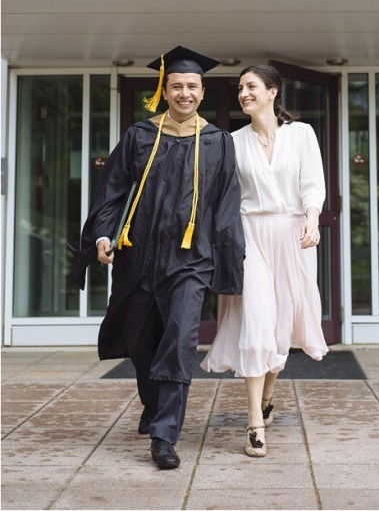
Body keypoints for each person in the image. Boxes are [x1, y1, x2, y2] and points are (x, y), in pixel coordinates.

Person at [72, 46, 246, 470]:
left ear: (202, 92)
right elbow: (111, 192)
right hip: (137, 255)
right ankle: (152, 405)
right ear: (164, 90)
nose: (184, 93)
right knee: (140, 340)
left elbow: (226, 206)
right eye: (177, 86)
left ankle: (165, 434)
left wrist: (228, 265)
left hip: (190, 259)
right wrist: (101, 237)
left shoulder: (217, 142)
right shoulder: (139, 136)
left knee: (181, 338)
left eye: (191, 86)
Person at [201, 64, 328, 458]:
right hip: (249, 234)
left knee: (282, 323)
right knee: (256, 318)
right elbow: (220, 195)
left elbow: (313, 183)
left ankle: (269, 394)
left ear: (273, 92)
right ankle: (255, 421)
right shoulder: (232, 142)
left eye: (251, 86)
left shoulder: (302, 134)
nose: (243, 93)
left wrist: (312, 220)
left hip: (293, 236)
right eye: (240, 88)